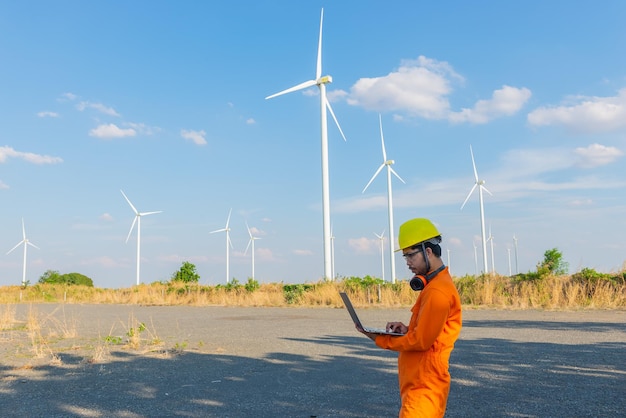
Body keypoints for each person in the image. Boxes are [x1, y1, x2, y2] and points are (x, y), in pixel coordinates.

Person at [356, 218, 462, 418]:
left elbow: (421, 342)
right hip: (419, 383)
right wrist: (406, 329)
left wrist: (379, 338)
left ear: (428, 251)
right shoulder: (433, 286)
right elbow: (429, 334)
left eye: (410, 256)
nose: (408, 263)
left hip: (424, 386)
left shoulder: (437, 291)